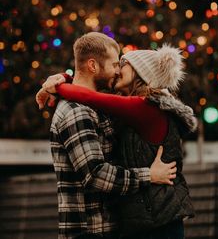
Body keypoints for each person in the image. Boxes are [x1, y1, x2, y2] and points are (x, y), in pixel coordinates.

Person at [37, 42, 197, 239]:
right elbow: (89, 91)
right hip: (143, 221)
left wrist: (59, 85)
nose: (118, 70)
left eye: (123, 64)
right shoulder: (126, 106)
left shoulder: (144, 107)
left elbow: (89, 97)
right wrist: (65, 78)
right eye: (116, 64)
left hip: (158, 222)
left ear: (140, 73)